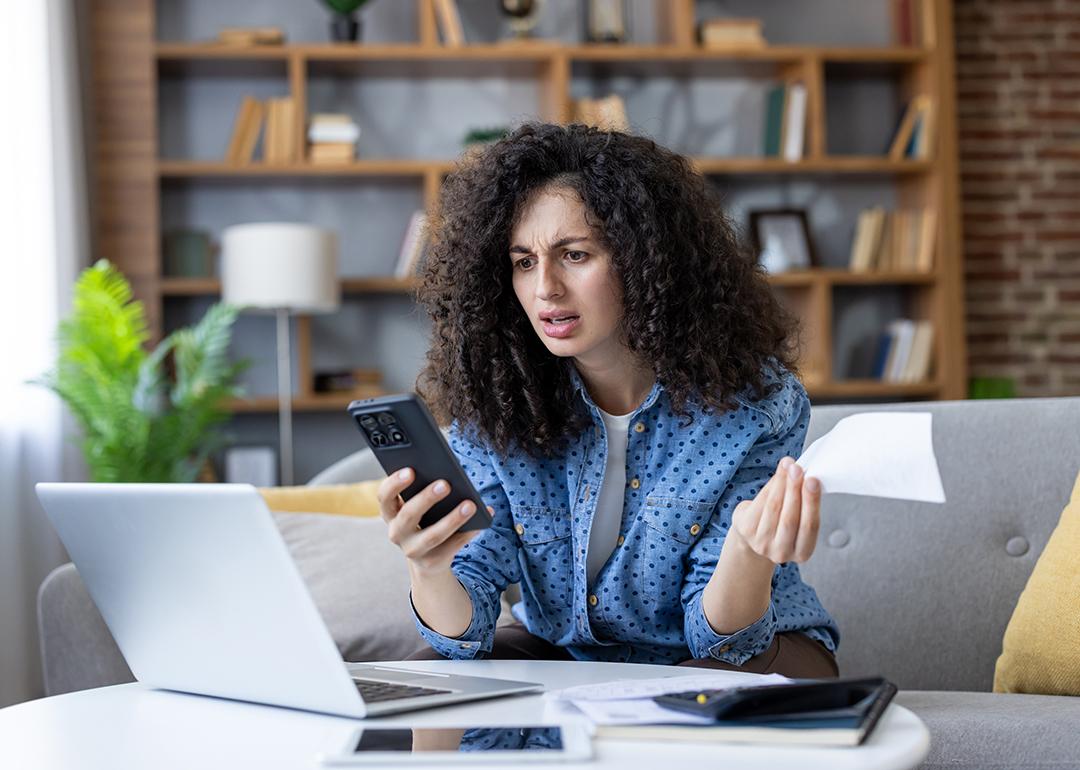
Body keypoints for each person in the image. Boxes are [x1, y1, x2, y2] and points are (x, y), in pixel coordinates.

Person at [377, 122, 839, 678]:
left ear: (646, 259)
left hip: (746, 651)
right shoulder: (498, 405)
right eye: (524, 261)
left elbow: (720, 643)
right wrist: (429, 566)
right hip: (571, 654)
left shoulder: (754, 403)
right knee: (426, 678)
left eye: (573, 255)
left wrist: (747, 550)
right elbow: (465, 635)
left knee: (700, 689)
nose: (545, 287)